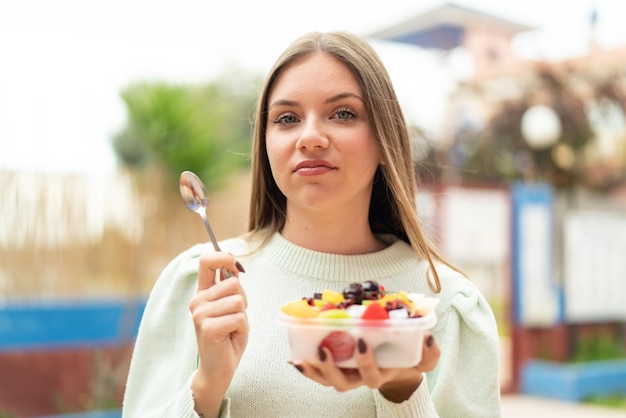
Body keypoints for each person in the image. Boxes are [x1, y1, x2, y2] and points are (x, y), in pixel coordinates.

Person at [122, 31, 501, 418]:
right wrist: (206, 386)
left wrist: (403, 394)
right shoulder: (201, 286)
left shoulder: (447, 305)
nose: (311, 138)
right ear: (266, 144)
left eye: (343, 113)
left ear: (385, 138)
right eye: (287, 118)